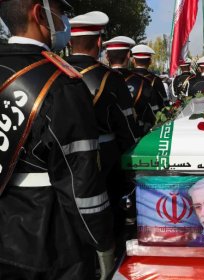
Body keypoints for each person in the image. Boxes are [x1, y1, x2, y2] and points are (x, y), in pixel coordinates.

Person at [0, 1, 114, 279]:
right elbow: (82, 185)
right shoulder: (62, 84)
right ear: (39, 14)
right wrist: (102, 243)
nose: (65, 20)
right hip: (50, 249)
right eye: (60, 12)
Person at [66, 11, 138, 253]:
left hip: (63, 157)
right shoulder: (111, 78)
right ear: (99, 43)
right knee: (109, 207)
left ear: (69, 41)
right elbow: (126, 127)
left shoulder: (54, 73)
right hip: (104, 156)